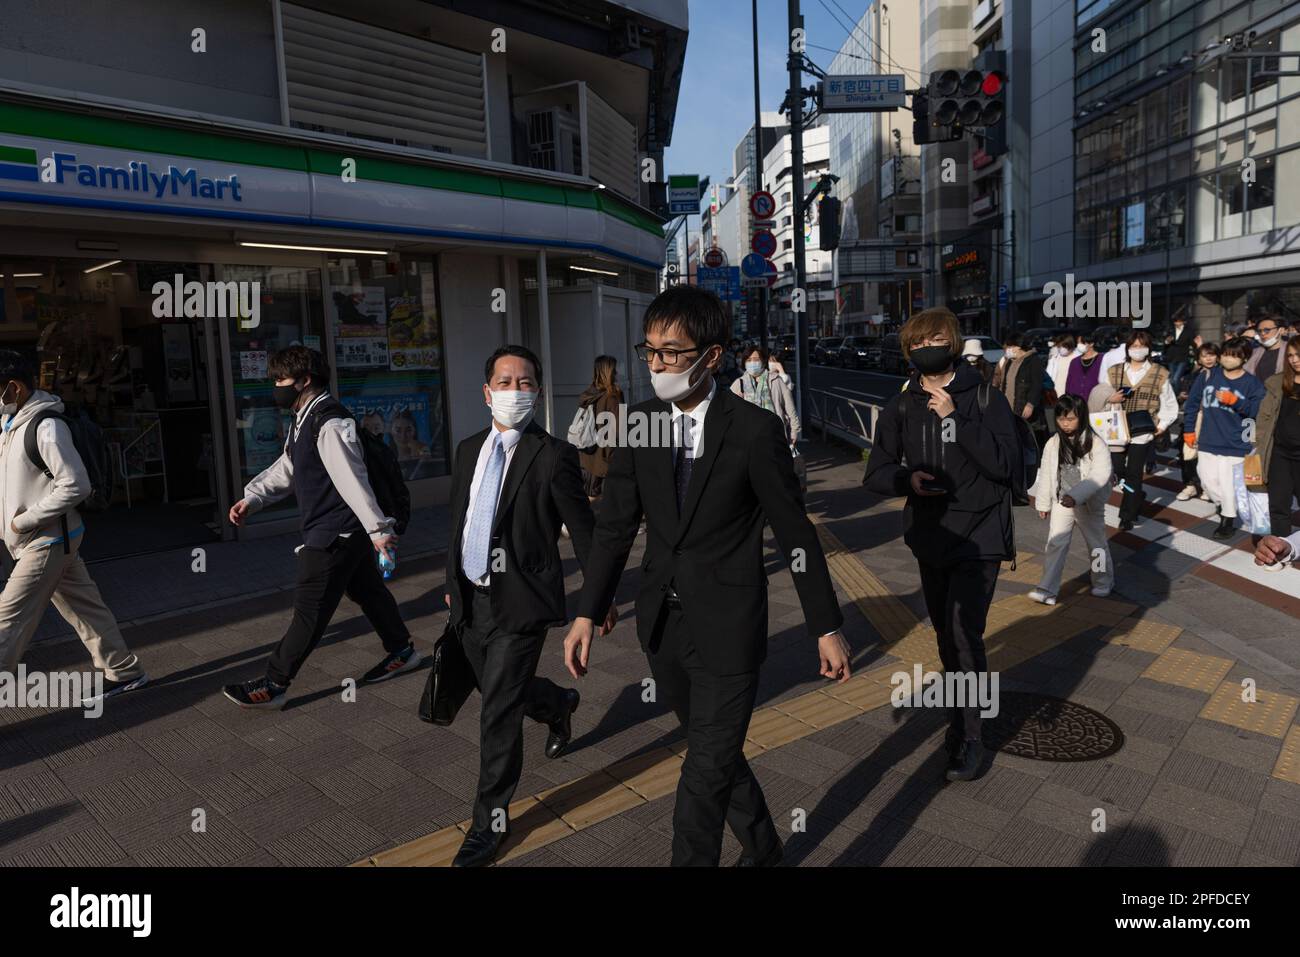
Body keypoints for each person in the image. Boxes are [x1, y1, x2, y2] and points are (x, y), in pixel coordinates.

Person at [562, 285, 850, 867]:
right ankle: (766, 848)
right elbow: (615, 527)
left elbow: (795, 534)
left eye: (673, 352)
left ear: (712, 357)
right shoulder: (640, 424)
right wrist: (587, 611)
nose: (658, 365)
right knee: (713, 753)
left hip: (729, 629)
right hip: (663, 629)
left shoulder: (754, 429)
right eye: (649, 352)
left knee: (701, 778)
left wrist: (825, 624)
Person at [441, 345, 610, 867]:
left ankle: (489, 822)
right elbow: (462, 520)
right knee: (499, 692)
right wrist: (454, 580)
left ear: (536, 391)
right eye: (505, 381)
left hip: (523, 601)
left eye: (526, 382)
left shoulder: (553, 454)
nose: (516, 390)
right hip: (471, 599)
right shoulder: (469, 448)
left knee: (497, 712)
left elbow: (584, 531)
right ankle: (557, 706)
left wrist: (596, 599)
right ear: (487, 392)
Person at [864, 307, 1020, 783]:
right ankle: (959, 721)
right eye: (915, 342)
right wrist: (906, 478)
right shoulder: (901, 405)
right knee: (945, 639)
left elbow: (1006, 466)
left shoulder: (986, 397)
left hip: (981, 537)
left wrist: (957, 418)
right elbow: (876, 472)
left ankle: (972, 737)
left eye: (933, 338)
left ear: (951, 341)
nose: (924, 347)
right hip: (931, 537)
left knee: (962, 634)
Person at [224, 347, 416, 709]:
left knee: (310, 611)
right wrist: (253, 498)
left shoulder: (329, 423)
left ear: (304, 380)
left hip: (336, 534)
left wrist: (379, 532)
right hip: (342, 531)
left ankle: (274, 684)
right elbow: (289, 466)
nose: (276, 386)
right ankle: (402, 650)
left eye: (281, 379)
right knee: (368, 591)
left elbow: (352, 480)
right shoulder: (305, 418)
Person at [0, 351, 148, 702]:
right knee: (86, 608)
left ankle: (124, 670)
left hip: (47, 540)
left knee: (7, 620)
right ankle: (125, 670)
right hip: (51, 539)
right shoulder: (10, 425)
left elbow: (75, 484)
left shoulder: (47, 426)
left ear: (14, 388)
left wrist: (22, 521)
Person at [1028, 395, 1115, 605]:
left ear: (1082, 417)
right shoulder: (1053, 442)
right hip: (1061, 501)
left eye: (1071, 419)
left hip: (1088, 504)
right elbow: (1047, 473)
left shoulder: (1095, 443)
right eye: (1061, 419)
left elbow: (1100, 474)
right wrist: (1043, 503)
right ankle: (1047, 589)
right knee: (1056, 543)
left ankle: (1103, 582)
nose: (1065, 424)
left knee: (1097, 546)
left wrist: (1074, 496)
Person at [1091, 330, 1177, 532]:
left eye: (1141, 345)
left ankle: (1127, 515)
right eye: (1134, 346)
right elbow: (1100, 393)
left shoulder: (1160, 373)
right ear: (1127, 348)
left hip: (1143, 431)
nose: (1137, 350)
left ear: (1148, 348)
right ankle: (1136, 495)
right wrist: (1109, 399)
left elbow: (1170, 404)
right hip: (1115, 429)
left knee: (1134, 473)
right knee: (1117, 471)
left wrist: (1162, 425)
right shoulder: (1114, 371)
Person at [1182, 337, 1266, 539]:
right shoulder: (1209, 375)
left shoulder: (1252, 383)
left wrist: (1237, 402)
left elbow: (1258, 411)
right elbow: (1192, 404)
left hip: (1236, 443)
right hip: (1208, 439)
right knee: (1208, 481)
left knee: (1228, 484)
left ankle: (1227, 519)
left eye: (1234, 355)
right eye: (1226, 354)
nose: (1228, 359)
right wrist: (1189, 430)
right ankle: (1227, 504)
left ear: (1244, 358)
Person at [1246, 338, 1300, 547]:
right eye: (1290, 356)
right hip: (1280, 452)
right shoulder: (1278, 382)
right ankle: (1279, 547)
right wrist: (1257, 445)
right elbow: (1264, 417)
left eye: (1298, 355)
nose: (1295, 360)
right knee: (1278, 503)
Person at [576, 355, 623, 504]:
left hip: (587, 455)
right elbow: (618, 430)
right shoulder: (613, 396)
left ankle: (575, 523)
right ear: (609, 371)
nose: (617, 373)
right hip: (605, 457)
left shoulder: (589, 394)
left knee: (590, 494)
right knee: (608, 497)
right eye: (614, 369)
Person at [1176, 342, 1220, 501]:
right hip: (1196, 417)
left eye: (1211, 354)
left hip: (1214, 419)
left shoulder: (1221, 373)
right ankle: (1191, 485)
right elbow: (1190, 401)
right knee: (1188, 453)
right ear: (1198, 359)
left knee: (1209, 455)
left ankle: (1208, 487)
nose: (1208, 359)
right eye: (1204, 355)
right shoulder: (1195, 374)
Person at [731, 345, 800, 446]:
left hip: (774, 436)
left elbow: (790, 408)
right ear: (744, 363)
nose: (752, 363)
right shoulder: (739, 383)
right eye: (749, 360)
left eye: (756, 359)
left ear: (763, 361)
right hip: (747, 439)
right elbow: (730, 412)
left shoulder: (776, 380)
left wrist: (794, 431)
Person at [993, 330, 1045, 438]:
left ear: (1018, 346)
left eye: (1010, 346)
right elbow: (1004, 383)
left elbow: (1037, 385)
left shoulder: (1033, 361)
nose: (1007, 349)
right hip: (1008, 406)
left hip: (1024, 406)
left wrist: (1030, 404)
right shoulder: (1009, 361)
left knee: (1028, 436)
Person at [1245, 314, 1288, 380]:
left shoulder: (1291, 350)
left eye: (1267, 330)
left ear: (1281, 330)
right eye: (1259, 331)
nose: (1262, 333)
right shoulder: (1254, 352)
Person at [1064, 332, 1105, 399]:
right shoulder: (1074, 362)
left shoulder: (1102, 359)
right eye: (1078, 343)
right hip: (1076, 402)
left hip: (1095, 400)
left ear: (1091, 343)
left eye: (1082, 343)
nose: (1079, 345)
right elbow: (1069, 384)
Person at [1164, 308, 1197, 393]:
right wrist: (1167, 341)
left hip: (1182, 358)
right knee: (1172, 379)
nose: (1177, 323)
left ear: (1183, 322)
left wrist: (1197, 357)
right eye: (1175, 321)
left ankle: (1177, 395)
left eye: (1179, 321)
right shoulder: (1170, 330)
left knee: (1176, 378)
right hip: (1171, 357)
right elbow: (1164, 342)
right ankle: (1175, 395)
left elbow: (1194, 345)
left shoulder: (1189, 332)